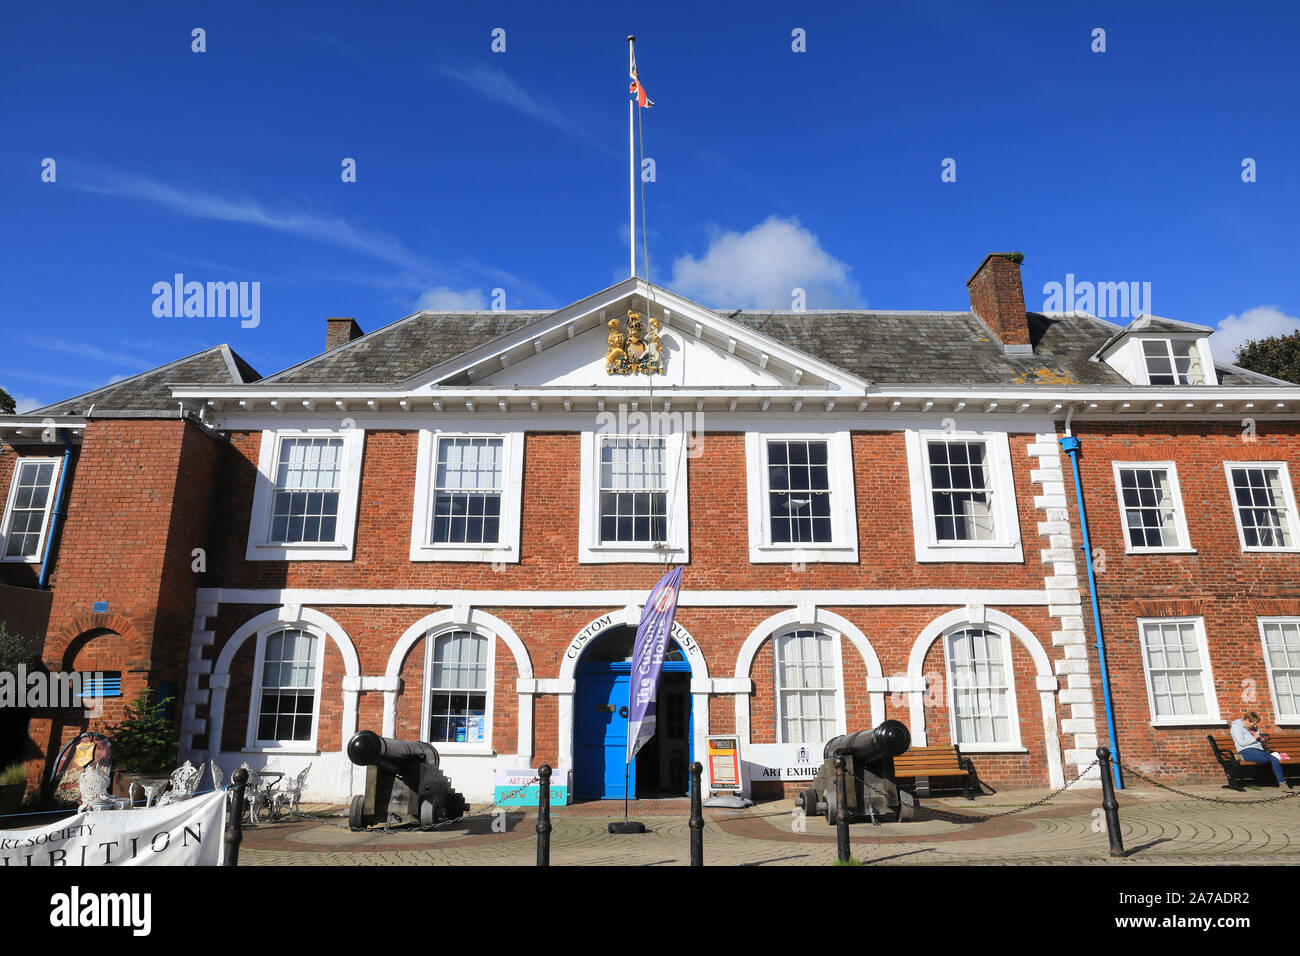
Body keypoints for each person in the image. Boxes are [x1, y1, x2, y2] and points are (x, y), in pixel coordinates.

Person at [1230, 711, 1292, 788]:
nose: (1255, 725)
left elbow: (1256, 740)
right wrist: (1254, 738)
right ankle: (1242, 757)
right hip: (1245, 750)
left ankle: (1282, 783)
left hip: (1257, 750)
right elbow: (1242, 743)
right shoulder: (1236, 727)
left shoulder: (1251, 728)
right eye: (1254, 723)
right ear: (1247, 720)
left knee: (1274, 759)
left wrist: (1261, 737)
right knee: (1266, 759)